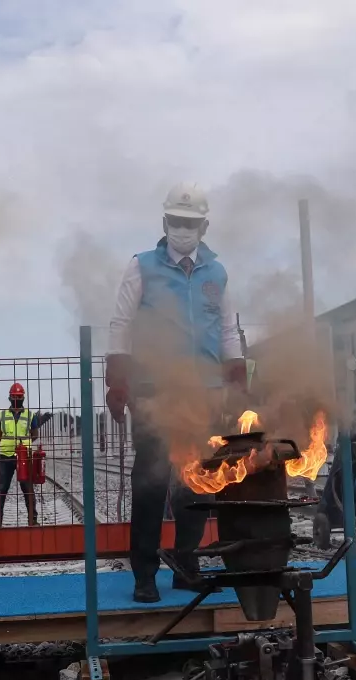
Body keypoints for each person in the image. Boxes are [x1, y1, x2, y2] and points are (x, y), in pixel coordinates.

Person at [106, 183, 247, 603]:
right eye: (176, 222)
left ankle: (187, 565)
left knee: (195, 484)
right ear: (164, 223)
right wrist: (118, 377)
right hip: (153, 390)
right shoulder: (141, 266)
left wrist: (237, 377)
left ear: (204, 226)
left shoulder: (217, 273)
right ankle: (144, 575)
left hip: (202, 391)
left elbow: (226, 329)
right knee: (150, 482)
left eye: (190, 223)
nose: (182, 229)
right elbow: (121, 323)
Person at [0, 383, 39, 527]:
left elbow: (35, 434)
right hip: (6, 456)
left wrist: (22, 446)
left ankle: (33, 520)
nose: (17, 399)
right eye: (15, 396)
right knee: (1, 489)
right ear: (10, 397)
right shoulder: (3, 415)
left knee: (28, 489)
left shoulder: (30, 415)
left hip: (24, 456)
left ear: (23, 397)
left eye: (19, 397)